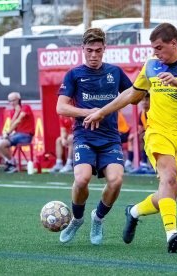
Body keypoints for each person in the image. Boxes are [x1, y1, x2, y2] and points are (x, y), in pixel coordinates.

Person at [84, 23, 177, 253]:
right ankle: (172, 234)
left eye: (159, 47)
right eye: (153, 48)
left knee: (167, 195)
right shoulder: (151, 65)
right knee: (168, 179)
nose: (155, 53)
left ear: (174, 43)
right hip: (158, 133)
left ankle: (133, 212)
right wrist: (102, 111)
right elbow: (132, 94)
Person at [56, 28, 133, 245]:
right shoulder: (74, 74)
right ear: (83, 49)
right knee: (81, 179)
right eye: (89, 50)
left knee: (116, 181)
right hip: (85, 137)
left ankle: (97, 218)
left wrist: (109, 109)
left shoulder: (115, 73)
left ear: (104, 50)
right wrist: (89, 112)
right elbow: (61, 108)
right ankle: (77, 219)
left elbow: (133, 94)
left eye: (98, 51)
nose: (93, 55)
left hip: (110, 138)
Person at [0, 92, 35, 173]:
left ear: (18, 100)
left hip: (25, 135)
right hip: (16, 135)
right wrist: (16, 112)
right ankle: (10, 161)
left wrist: (8, 133)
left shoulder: (26, 107)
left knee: (1, 143)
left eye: (13, 100)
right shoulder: (12, 112)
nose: (12, 103)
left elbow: (19, 121)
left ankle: (11, 163)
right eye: (10, 101)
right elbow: (12, 125)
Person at [125, 92, 151, 173]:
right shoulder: (141, 114)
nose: (144, 102)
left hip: (156, 134)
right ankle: (129, 162)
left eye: (147, 100)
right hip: (147, 134)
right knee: (133, 137)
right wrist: (137, 134)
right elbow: (140, 128)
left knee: (144, 137)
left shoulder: (154, 112)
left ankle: (145, 163)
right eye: (142, 100)